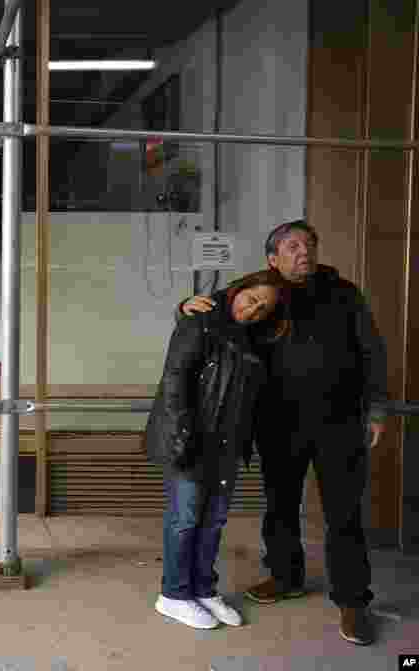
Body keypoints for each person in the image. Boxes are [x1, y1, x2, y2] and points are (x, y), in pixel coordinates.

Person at [179, 219, 388, 645]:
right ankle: (286, 576)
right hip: (277, 422)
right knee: (280, 506)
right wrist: (184, 305)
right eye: (292, 246)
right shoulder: (258, 288)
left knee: (344, 514)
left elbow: (372, 350)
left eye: (309, 244)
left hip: (340, 421)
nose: (303, 251)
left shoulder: (343, 292)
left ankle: (353, 600)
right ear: (273, 258)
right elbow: (211, 311)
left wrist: (377, 408)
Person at [145, 268, 290, 630]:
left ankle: (204, 590)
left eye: (263, 309)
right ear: (238, 289)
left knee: (213, 521)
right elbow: (175, 378)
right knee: (186, 519)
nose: (254, 309)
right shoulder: (201, 321)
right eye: (251, 298)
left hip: (227, 443)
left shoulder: (253, 339)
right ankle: (174, 595)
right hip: (192, 439)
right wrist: (182, 436)